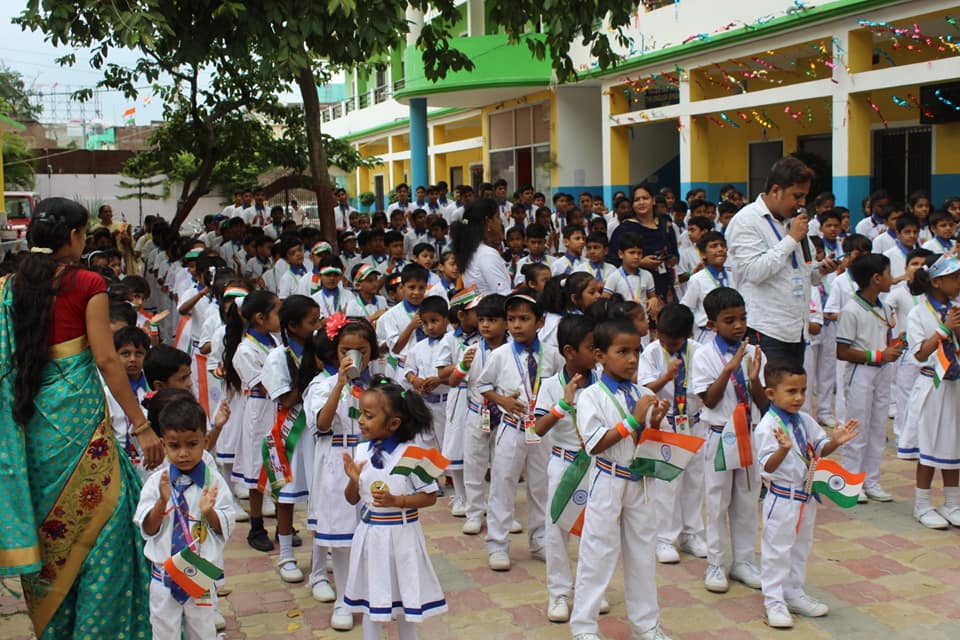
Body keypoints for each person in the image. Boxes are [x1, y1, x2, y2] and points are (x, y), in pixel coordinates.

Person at [0, 197, 158, 638]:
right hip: (79, 426)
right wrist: (141, 426)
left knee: (50, 533)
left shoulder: (9, 287)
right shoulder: (88, 282)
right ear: (73, 237)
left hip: (31, 425)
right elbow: (108, 360)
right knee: (102, 530)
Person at [568, 318, 672, 640]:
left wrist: (656, 420)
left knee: (642, 553)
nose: (631, 359)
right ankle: (584, 627)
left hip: (640, 480)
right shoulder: (591, 396)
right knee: (596, 552)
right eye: (622, 351)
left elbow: (651, 437)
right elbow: (594, 442)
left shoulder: (642, 392)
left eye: (636, 351)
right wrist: (633, 419)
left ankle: (646, 626)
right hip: (607, 478)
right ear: (600, 355)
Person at [341, 378, 448, 639]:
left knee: (405, 597)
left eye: (368, 416)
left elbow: (429, 496)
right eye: (361, 414)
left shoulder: (411, 454)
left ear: (393, 423)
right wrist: (355, 481)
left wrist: (397, 502)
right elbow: (351, 499)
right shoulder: (361, 450)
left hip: (402, 536)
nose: (361, 421)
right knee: (370, 598)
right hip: (370, 535)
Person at [755, 361, 859, 628]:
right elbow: (766, 466)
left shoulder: (804, 419)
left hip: (806, 495)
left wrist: (834, 441)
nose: (799, 397)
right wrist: (782, 450)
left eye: (802, 390)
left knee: (801, 547)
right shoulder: (768, 427)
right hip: (781, 496)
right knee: (777, 549)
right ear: (771, 394)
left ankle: (793, 592)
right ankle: (774, 600)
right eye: (791, 391)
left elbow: (819, 446)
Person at [135, 396, 237, 640]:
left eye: (192, 444)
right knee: (163, 632)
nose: (183, 453)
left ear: (204, 440)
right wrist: (161, 502)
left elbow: (225, 527)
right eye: (174, 446)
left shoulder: (214, 482)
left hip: (198, 575)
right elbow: (148, 529)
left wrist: (209, 511)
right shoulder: (156, 482)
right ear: (163, 444)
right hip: (163, 574)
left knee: (203, 631)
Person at [476, 290, 563, 571]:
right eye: (511, 319)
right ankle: (497, 544)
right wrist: (503, 400)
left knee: (542, 486)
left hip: (542, 430)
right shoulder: (500, 355)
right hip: (511, 428)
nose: (516, 325)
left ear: (540, 322)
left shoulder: (552, 355)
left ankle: (539, 540)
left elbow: (561, 382)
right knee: (503, 483)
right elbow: (481, 385)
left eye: (524, 319)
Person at [303, 315, 379, 630]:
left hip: (372, 458)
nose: (352, 356)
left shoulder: (378, 383)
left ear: (371, 352)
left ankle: (374, 593)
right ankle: (343, 601)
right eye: (345, 350)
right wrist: (340, 385)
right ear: (336, 351)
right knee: (341, 536)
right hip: (337, 459)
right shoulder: (321, 384)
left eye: (360, 350)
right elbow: (321, 423)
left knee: (374, 529)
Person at [725, 157, 837, 367]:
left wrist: (822, 270)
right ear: (776, 190)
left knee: (791, 397)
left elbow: (808, 273)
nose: (802, 203)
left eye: (805, 196)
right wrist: (791, 239)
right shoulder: (746, 221)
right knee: (769, 396)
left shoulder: (794, 222)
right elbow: (755, 271)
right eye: (797, 196)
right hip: (767, 330)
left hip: (797, 331)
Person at [690, 287, 767, 594]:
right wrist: (729, 369)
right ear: (712, 324)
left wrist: (753, 377)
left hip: (748, 434)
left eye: (742, 318)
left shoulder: (754, 352)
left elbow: (765, 402)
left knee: (747, 500)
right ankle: (716, 564)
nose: (738, 326)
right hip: (720, 435)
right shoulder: (704, 355)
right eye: (729, 320)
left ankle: (744, 562)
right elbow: (708, 400)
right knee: (717, 500)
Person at [533, 314, 601, 623]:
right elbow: (536, 429)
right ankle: (558, 592)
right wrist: (563, 404)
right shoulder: (550, 386)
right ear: (570, 351)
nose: (597, 352)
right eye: (591, 347)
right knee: (558, 528)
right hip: (564, 462)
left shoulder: (605, 384)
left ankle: (590, 591)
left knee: (596, 529)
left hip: (598, 463)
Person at [638, 304, 707, 564]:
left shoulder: (699, 352)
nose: (668, 345)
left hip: (693, 421)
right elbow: (645, 388)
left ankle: (691, 534)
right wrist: (667, 376)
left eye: (674, 342)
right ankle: (664, 538)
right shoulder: (652, 353)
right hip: (665, 422)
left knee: (694, 480)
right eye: (664, 340)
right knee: (667, 484)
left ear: (687, 335)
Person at [263, 295, 322, 583]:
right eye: (313, 322)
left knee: (321, 493)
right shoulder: (278, 356)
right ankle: (285, 555)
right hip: (290, 433)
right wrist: (311, 379)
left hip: (317, 430)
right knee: (286, 497)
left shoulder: (319, 349)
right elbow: (285, 399)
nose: (318, 325)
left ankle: (322, 554)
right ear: (293, 325)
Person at [836, 254, 902, 503]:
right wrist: (877, 354)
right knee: (858, 426)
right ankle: (852, 481)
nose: (892, 278)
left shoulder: (884, 307)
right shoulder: (851, 310)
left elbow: (883, 337)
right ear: (876, 278)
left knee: (877, 427)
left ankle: (871, 479)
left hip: (883, 370)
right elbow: (842, 351)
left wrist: (894, 347)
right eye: (888, 273)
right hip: (860, 371)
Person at [902, 254, 960, 529]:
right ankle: (922, 504)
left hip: (955, 385)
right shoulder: (917, 312)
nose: (959, 282)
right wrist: (944, 329)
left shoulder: (958, 306)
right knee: (928, 444)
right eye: (955, 277)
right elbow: (919, 353)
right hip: (931, 385)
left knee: (954, 441)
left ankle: (952, 503)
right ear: (937, 282)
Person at [223, 290, 282, 551]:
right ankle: (256, 526)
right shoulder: (244, 351)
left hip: (278, 410)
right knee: (257, 469)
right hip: (260, 412)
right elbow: (269, 384)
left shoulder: (275, 341)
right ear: (260, 318)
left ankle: (284, 524)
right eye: (277, 312)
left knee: (282, 466)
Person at [457, 294, 509, 535]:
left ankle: (501, 513)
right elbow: (451, 380)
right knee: (474, 463)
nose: (486, 325)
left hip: (506, 414)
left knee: (503, 466)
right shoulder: (472, 350)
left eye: (492, 320)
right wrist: (463, 367)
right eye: (482, 320)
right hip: (478, 412)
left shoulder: (512, 351)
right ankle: (474, 512)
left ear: (506, 323)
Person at [607, 183, 679, 300]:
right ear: (632, 204)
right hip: (634, 285)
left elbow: (675, 253)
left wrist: (670, 260)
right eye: (637, 200)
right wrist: (640, 263)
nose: (641, 202)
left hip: (663, 282)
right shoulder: (625, 228)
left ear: (653, 201)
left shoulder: (665, 225)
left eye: (645, 198)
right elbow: (612, 260)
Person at [403, 295, 454, 452]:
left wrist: (440, 380)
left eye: (434, 321)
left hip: (446, 402)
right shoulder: (419, 347)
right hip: (424, 403)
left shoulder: (453, 343)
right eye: (425, 323)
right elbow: (408, 369)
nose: (430, 327)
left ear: (446, 319)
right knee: (424, 444)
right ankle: (429, 476)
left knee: (447, 444)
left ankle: (449, 476)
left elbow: (460, 370)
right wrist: (414, 379)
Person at [680, 231, 736, 344]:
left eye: (723, 245)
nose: (720, 249)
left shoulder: (733, 275)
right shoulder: (697, 279)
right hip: (707, 334)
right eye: (714, 246)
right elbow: (686, 308)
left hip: (732, 332)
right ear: (703, 254)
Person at [453, 198, 513, 295]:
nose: (501, 221)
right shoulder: (487, 254)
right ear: (488, 222)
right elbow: (503, 295)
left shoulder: (470, 250)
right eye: (497, 217)